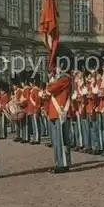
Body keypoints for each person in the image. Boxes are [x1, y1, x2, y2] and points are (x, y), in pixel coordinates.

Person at [46, 44, 74, 173]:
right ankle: (59, 162)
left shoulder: (65, 79)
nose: (56, 67)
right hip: (55, 112)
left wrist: (51, 80)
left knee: (62, 139)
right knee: (57, 140)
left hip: (61, 111)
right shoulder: (60, 78)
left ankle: (63, 164)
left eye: (58, 65)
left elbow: (51, 88)